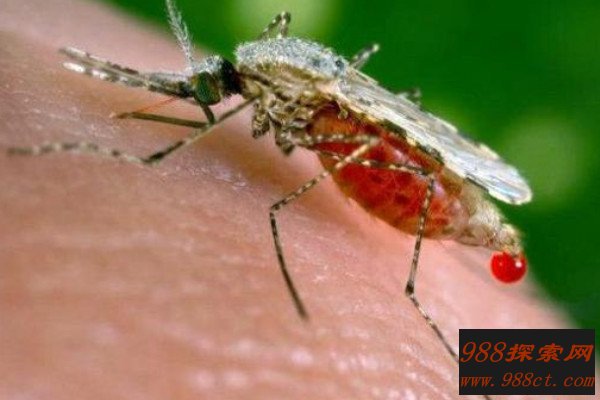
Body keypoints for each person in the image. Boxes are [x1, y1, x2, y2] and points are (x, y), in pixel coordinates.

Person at [0, 0, 576, 398]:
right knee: (567, 370)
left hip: (414, 175)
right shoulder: (263, 71)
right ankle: (529, 371)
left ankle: (435, 320)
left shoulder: (272, 79)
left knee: (561, 368)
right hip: (557, 360)